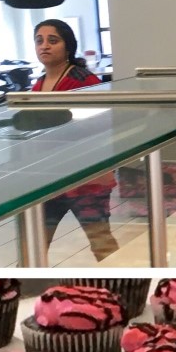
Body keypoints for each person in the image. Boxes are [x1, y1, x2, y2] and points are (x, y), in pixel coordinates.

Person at [33, 19, 120, 261]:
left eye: (53, 40)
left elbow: (98, 125)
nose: (45, 46)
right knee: (35, 242)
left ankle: (121, 285)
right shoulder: (39, 84)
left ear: (67, 46)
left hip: (86, 177)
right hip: (51, 178)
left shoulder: (82, 80)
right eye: (39, 41)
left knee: (101, 242)